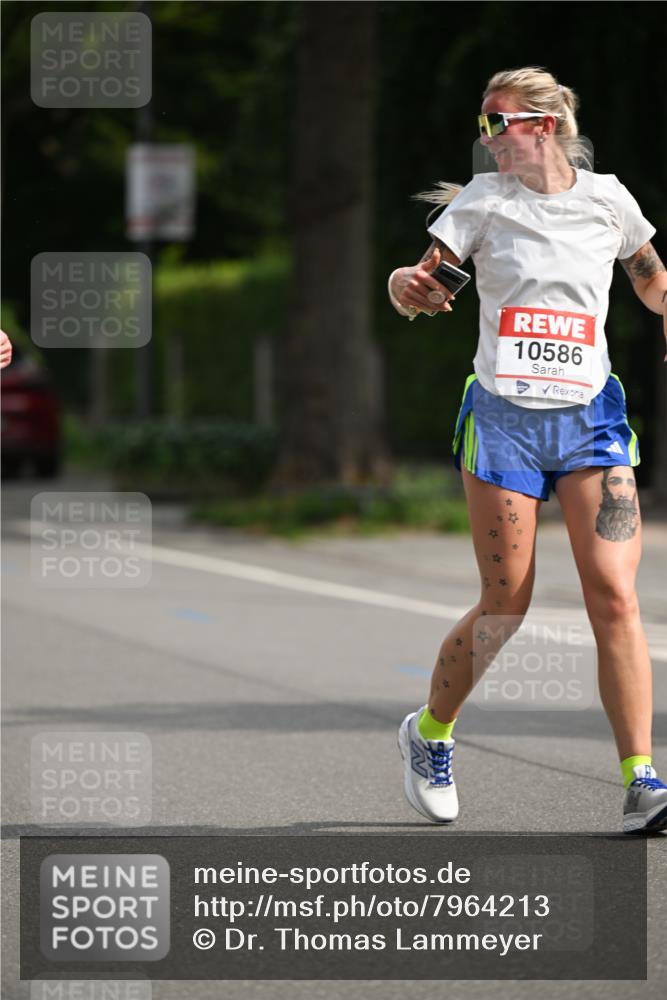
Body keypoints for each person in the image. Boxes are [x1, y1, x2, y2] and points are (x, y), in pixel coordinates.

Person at [388, 67, 667, 834]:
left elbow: (649, 279)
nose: (484, 139)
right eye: (482, 125)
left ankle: (641, 779)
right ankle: (431, 732)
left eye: (495, 123)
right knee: (506, 602)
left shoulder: (608, 200)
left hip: (590, 421)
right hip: (503, 421)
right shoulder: (481, 204)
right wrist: (403, 287)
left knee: (613, 594)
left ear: (542, 126)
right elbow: (425, 278)